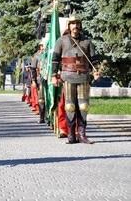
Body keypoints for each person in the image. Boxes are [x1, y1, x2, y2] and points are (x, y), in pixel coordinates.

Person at [52, 14, 100, 144]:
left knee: (83, 106)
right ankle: (71, 134)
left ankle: (82, 134)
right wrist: (53, 76)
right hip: (67, 76)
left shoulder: (87, 42)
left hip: (84, 76)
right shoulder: (61, 41)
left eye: (77, 24)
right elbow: (55, 60)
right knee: (70, 106)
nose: (75, 26)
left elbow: (94, 59)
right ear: (69, 26)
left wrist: (96, 71)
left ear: (80, 26)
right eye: (73, 24)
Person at [30, 43, 44, 119]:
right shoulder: (37, 55)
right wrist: (33, 80)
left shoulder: (50, 53)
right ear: (40, 46)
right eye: (43, 46)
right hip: (40, 78)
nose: (44, 47)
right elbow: (33, 69)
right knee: (41, 98)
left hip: (50, 79)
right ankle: (42, 116)